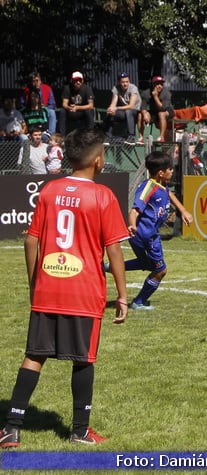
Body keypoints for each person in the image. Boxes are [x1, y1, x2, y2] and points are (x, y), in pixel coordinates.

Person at [0, 128, 129, 448]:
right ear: (98, 161)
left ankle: (11, 427)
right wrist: (124, 296)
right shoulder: (103, 196)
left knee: (34, 356)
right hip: (84, 292)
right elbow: (114, 251)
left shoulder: (48, 190)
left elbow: (31, 241)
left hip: (48, 288)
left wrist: (35, 284)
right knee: (84, 358)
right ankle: (80, 430)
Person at [113, 150, 193, 310]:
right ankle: (139, 302)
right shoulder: (148, 187)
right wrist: (132, 224)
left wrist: (183, 210)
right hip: (142, 236)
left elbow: (169, 195)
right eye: (170, 169)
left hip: (152, 236)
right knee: (160, 270)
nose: (172, 171)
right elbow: (134, 210)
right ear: (161, 173)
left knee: (147, 264)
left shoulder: (162, 186)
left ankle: (110, 267)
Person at [103, 73, 139, 144]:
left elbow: (131, 106)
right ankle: (108, 137)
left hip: (136, 112)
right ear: (119, 82)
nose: (125, 84)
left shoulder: (133, 88)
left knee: (128, 111)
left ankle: (131, 137)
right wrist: (111, 109)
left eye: (127, 82)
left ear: (129, 81)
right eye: (123, 82)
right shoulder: (116, 88)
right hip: (125, 112)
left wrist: (117, 108)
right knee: (111, 113)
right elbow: (113, 103)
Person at [148, 76, 174, 142]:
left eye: (161, 84)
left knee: (161, 114)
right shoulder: (147, 93)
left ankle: (161, 137)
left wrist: (155, 97)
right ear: (153, 84)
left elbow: (162, 108)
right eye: (157, 84)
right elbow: (143, 107)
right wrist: (145, 113)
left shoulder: (166, 93)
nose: (159, 86)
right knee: (141, 115)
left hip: (167, 111)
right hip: (154, 112)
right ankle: (141, 137)